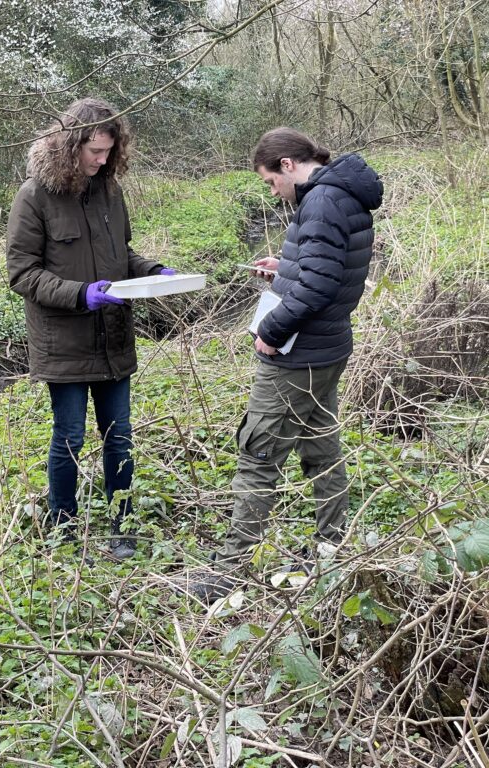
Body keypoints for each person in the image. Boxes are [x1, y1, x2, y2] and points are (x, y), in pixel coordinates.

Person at [191, 128, 383, 602]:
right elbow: (326, 270)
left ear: (287, 164)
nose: (273, 191)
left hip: (298, 354)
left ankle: (230, 572)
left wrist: (270, 334)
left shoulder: (318, 202)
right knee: (321, 448)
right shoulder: (341, 193)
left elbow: (317, 290)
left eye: (270, 181)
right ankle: (332, 548)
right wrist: (287, 266)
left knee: (258, 455)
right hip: (329, 348)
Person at [6, 97, 174, 561]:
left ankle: (121, 526)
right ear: (70, 145)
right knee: (70, 437)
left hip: (114, 338)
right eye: (95, 152)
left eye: (109, 152)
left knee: (119, 435)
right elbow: (22, 273)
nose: (103, 161)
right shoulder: (34, 196)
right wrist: (81, 294)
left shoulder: (110, 192)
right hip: (64, 342)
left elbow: (123, 255)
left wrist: (152, 271)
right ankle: (61, 525)